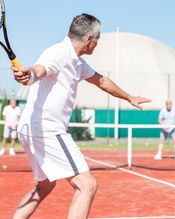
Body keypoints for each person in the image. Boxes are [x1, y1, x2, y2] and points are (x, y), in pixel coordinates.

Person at [12, 13, 151, 219]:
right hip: (47, 130)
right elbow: (40, 70)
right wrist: (29, 74)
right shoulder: (58, 52)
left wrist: (129, 97)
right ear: (89, 39)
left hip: (30, 128)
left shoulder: (76, 61)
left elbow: (101, 81)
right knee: (87, 185)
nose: (97, 43)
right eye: (97, 39)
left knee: (45, 185)